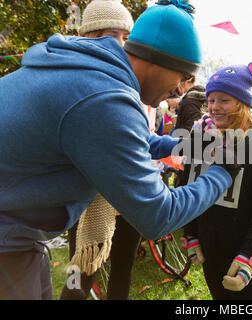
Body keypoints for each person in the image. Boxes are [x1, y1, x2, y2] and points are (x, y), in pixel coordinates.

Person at [0, 1, 233, 300]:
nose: (179, 90)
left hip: (17, 237)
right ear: (157, 61)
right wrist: (223, 172)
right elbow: (158, 215)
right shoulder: (104, 97)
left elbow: (137, 140)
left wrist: (191, 147)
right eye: (182, 76)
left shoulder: (87, 71)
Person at [59, 0, 143, 300]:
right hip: (87, 199)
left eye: (126, 38)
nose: (121, 46)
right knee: (77, 276)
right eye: (112, 35)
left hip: (130, 196)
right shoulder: (72, 79)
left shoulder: (134, 81)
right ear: (89, 36)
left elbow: (141, 137)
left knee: (122, 272)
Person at [180, 62, 252, 300]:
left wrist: (250, 253)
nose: (214, 107)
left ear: (243, 103)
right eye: (211, 100)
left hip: (243, 251)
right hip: (209, 247)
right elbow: (187, 187)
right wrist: (191, 233)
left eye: (224, 100)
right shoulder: (199, 139)